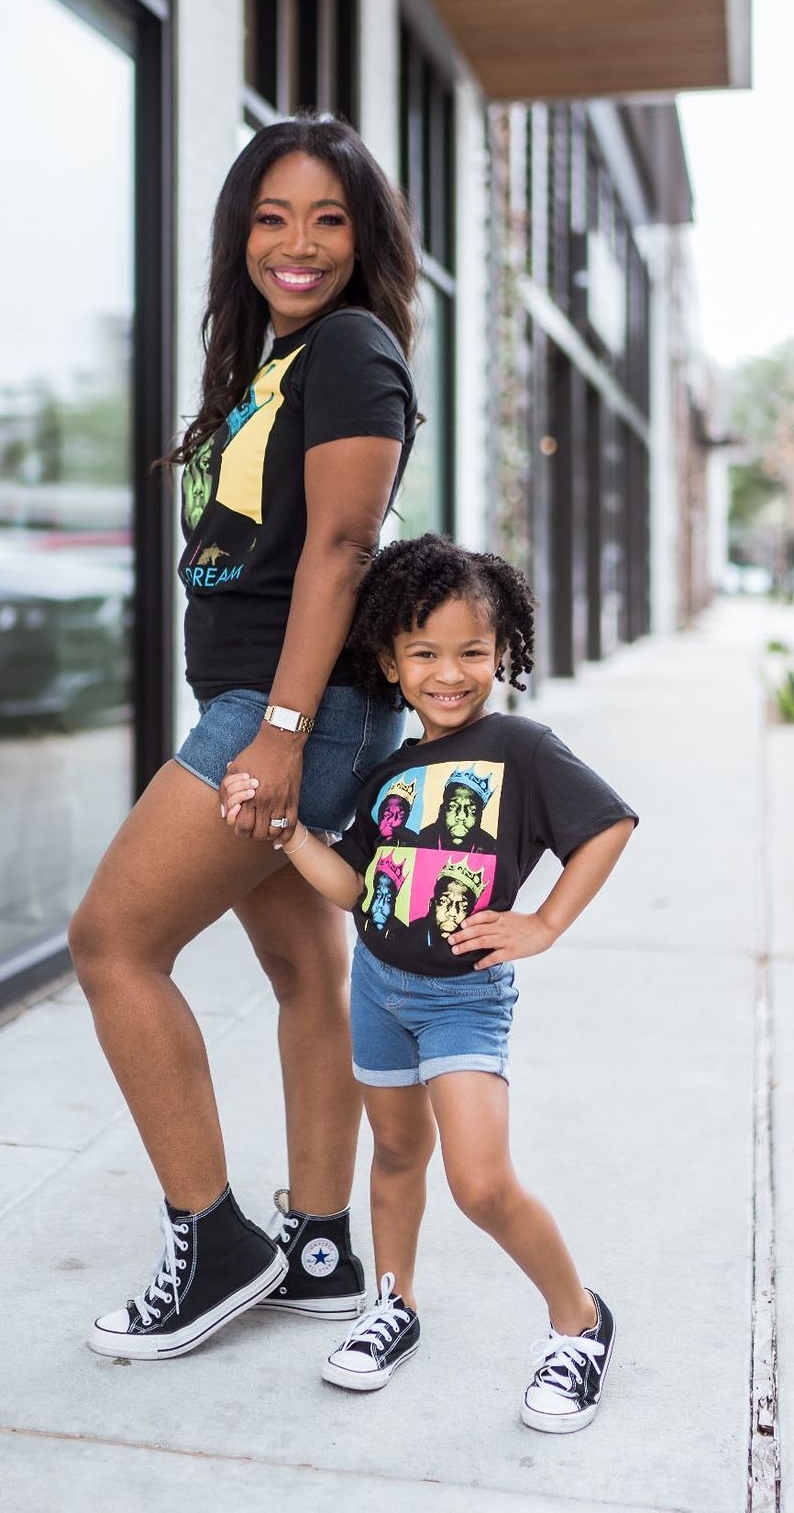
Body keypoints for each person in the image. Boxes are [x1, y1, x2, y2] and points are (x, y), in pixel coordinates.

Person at [68, 114, 419, 1359]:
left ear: (364, 238)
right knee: (304, 971)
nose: (298, 243)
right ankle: (319, 1246)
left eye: (328, 218)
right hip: (278, 704)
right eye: (272, 217)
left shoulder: (354, 348)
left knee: (114, 941)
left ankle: (214, 1241)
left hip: (286, 710)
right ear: (240, 234)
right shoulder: (274, 360)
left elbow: (343, 544)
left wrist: (277, 732)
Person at [223, 533, 637, 1430]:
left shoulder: (522, 748)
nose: (450, 674)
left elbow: (608, 825)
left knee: (480, 1183)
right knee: (397, 1154)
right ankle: (394, 1304)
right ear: (390, 663)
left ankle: (580, 1322)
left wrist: (545, 923)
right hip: (378, 989)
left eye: (472, 653)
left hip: (463, 998)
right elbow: (352, 888)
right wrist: (289, 833)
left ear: (502, 653)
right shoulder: (389, 776)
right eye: (425, 653)